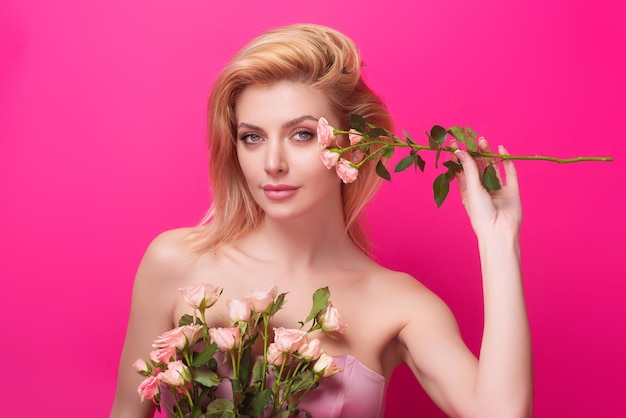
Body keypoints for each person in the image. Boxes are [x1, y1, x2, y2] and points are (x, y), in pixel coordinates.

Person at [110, 24, 533, 418]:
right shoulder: (174, 262)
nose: (272, 164)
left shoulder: (400, 304)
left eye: (303, 134)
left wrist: (498, 241)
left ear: (354, 147)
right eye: (252, 138)